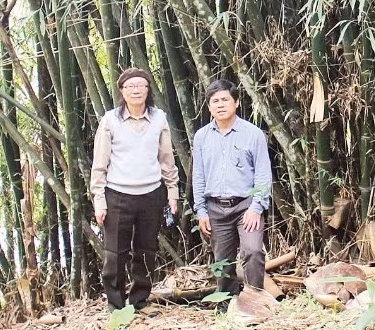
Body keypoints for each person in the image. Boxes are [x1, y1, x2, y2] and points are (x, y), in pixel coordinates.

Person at [89, 68, 179, 313]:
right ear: (122, 92)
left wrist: (172, 192)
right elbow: (100, 163)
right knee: (114, 255)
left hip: (151, 194)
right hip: (117, 195)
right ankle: (115, 305)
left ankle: (140, 300)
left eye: (141, 86)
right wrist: (99, 200)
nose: (136, 90)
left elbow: (167, 159)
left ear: (148, 90)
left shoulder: (159, 118)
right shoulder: (110, 120)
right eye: (131, 86)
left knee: (146, 251)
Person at [192, 79, 272, 311]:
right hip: (215, 207)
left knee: (253, 251)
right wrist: (201, 210)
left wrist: (256, 207)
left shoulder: (253, 134)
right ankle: (226, 307)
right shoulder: (202, 137)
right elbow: (198, 175)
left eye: (225, 99)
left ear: (236, 102)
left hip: (246, 205)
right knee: (222, 261)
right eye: (214, 101)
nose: (220, 105)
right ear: (208, 107)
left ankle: (254, 303)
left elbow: (263, 174)